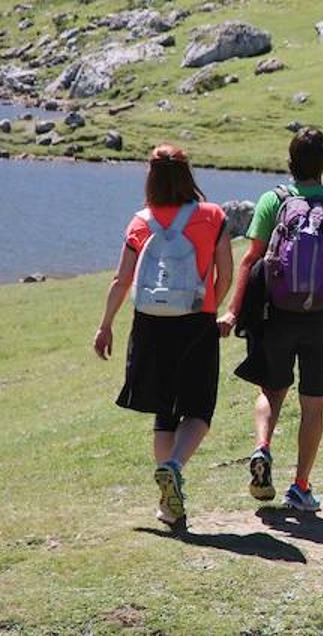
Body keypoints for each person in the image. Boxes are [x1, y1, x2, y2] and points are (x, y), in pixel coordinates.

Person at [220, 128, 323, 513]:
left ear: (290, 160)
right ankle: (300, 486)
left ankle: (262, 448)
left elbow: (251, 259)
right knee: (313, 406)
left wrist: (234, 311)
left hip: (276, 314)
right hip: (319, 318)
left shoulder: (274, 200)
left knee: (270, 391)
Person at [93, 145, 233, 529]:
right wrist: (210, 307)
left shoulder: (140, 221)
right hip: (195, 321)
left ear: (151, 177)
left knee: (164, 411)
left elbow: (122, 280)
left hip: (150, 323)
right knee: (199, 408)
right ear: (188, 174)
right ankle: (174, 466)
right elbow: (225, 273)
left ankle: (168, 504)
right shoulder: (212, 216)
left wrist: (106, 325)